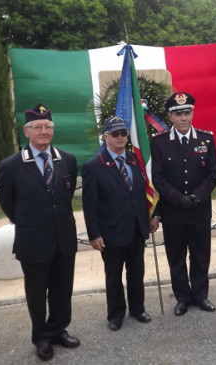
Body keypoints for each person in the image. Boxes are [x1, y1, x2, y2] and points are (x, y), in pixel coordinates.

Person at [0, 103, 80, 361]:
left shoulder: (67, 159)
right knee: (36, 293)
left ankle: (58, 330)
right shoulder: (11, 165)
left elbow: (64, 196)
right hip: (33, 240)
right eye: (38, 127)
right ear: (27, 131)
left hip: (64, 239)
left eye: (48, 127)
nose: (44, 131)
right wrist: (29, 222)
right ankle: (42, 337)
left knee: (62, 289)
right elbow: (7, 203)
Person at [82, 117, 159, 331]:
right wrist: (94, 234)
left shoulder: (136, 161)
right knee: (114, 276)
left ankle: (137, 308)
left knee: (136, 272)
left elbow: (148, 189)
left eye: (123, 133)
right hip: (111, 233)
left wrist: (154, 215)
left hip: (137, 228)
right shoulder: (93, 167)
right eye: (114, 133)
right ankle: (115, 314)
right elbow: (89, 206)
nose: (120, 137)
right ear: (105, 137)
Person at [150, 91, 216, 316]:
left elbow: (211, 174)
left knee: (201, 256)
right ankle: (182, 298)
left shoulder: (206, 139)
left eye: (187, 112)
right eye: (178, 113)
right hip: (174, 212)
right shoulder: (159, 143)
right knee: (176, 257)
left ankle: (200, 296)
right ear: (170, 117)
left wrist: (197, 196)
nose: (183, 118)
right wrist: (179, 199)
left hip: (199, 210)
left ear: (192, 113)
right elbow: (158, 177)